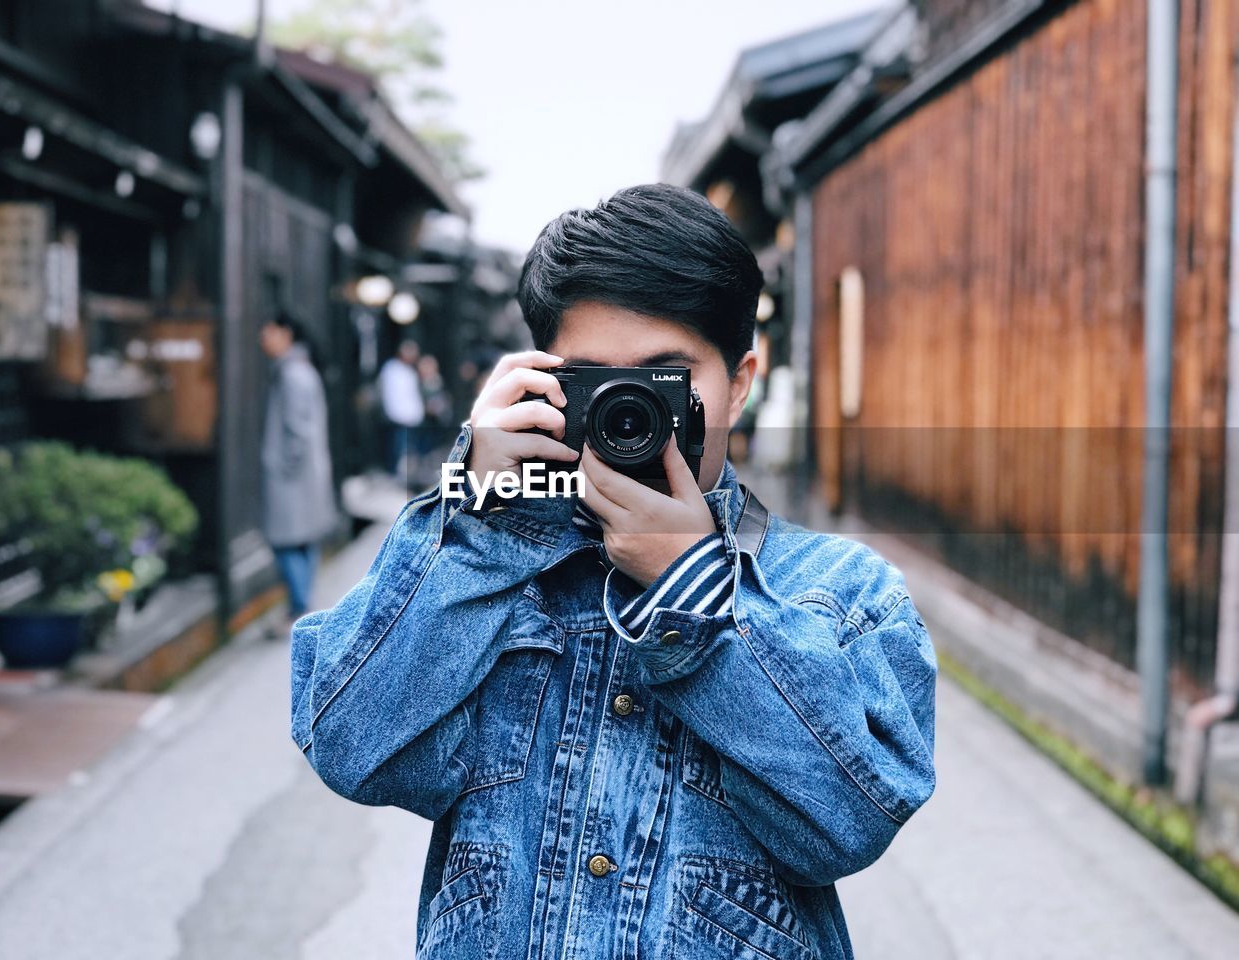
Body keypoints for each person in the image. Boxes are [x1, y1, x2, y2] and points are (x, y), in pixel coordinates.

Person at [290, 184, 936, 959]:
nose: (632, 416)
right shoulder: (489, 572)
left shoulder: (841, 592)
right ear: (543, 386)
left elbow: (846, 825)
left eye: (664, 380)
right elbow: (351, 747)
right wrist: (479, 516)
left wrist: (693, 588)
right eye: (597, 385)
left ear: (739, 382)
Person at [259, 309, 338, 638]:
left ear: (284, 334)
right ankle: (303, 607)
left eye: (268, 331)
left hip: (293, 476)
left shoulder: (291, 374)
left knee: (285, 541)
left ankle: (299, 609)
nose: (263, 339)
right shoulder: (301, 370)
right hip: (307, 473)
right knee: (303, 540)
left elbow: (297, 431)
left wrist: (283, 466)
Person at [377, 339, 424, 483]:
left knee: (408, 449)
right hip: (398, 417)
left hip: (411, 417)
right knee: (396, 448)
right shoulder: (391, 369)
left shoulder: (409, 372)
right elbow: (392, 395)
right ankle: (394, 474)